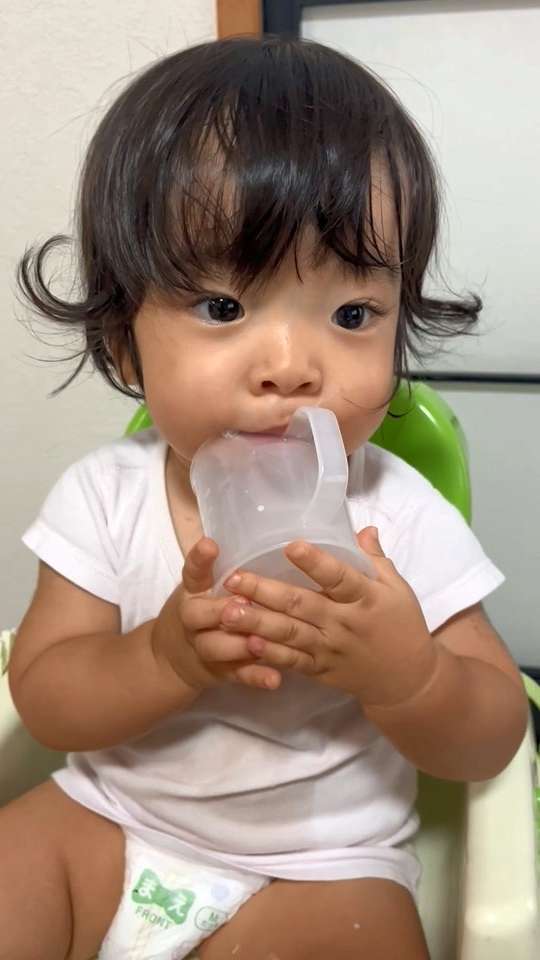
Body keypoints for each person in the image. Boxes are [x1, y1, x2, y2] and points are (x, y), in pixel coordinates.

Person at [4, 35, 528, 960]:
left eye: (352, 315)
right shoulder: (105, 495)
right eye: (223, 308)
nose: (291, 368)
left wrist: (408, 675)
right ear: (124, 342)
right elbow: (46, 700)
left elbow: (491, 738)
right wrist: (163, 656)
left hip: (324, 865)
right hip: (109, 818)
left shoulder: (399, 514)